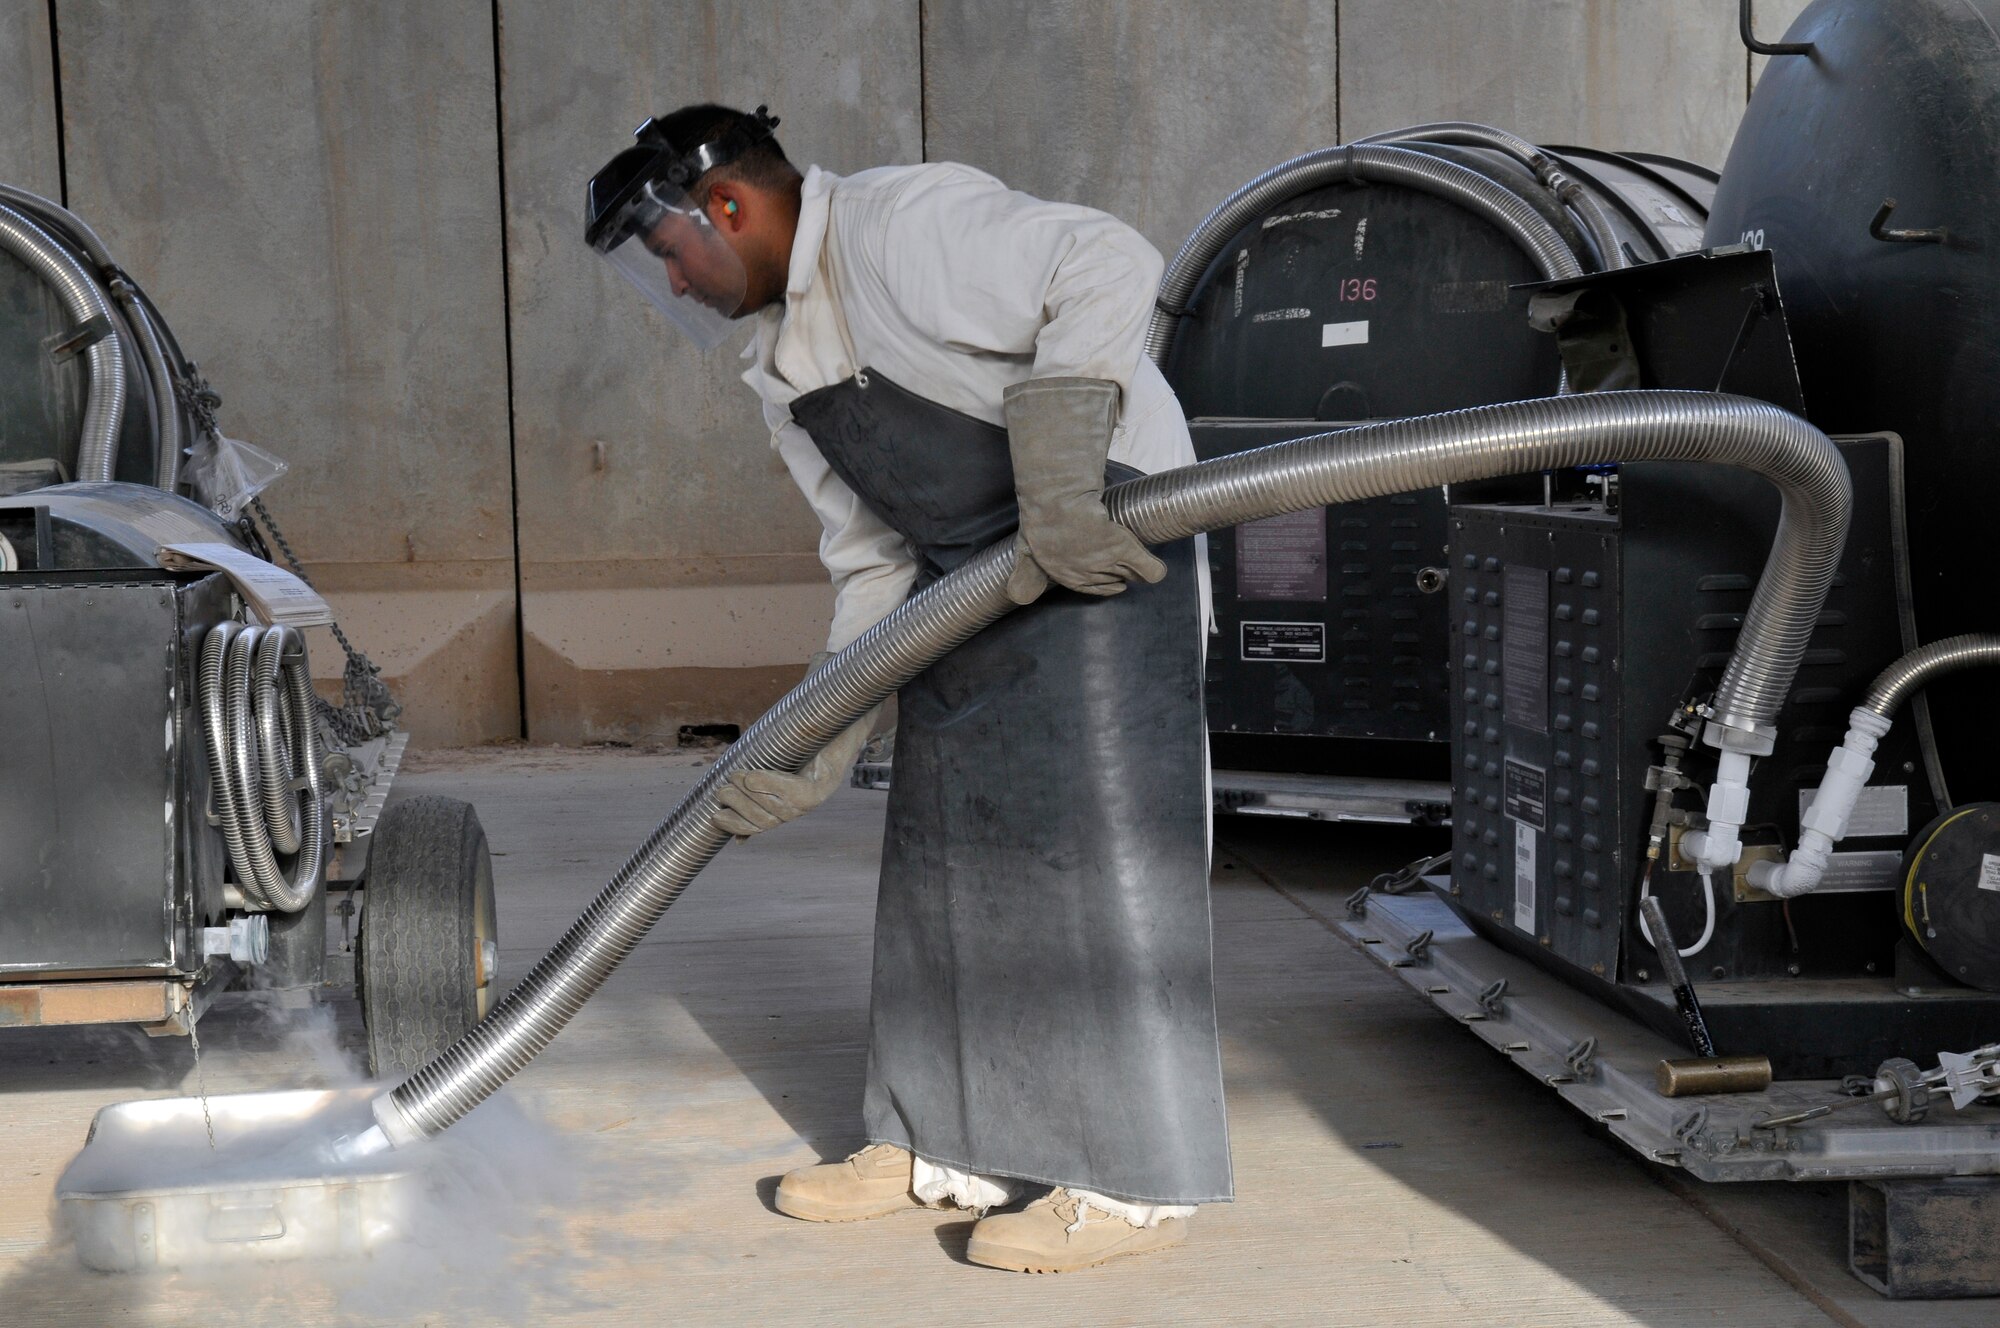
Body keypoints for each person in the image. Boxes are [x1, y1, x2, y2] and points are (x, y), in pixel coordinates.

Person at [584, 103, 1229, 1273]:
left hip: (1097, 544)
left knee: (1100, 869)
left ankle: (1130, 1181)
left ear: (727, 205)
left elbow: (1105, 259)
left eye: (670, 252)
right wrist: (824, 725)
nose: (673, 284)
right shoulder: (783, 367)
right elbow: (871, 559)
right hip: (961, 579)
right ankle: (947, 1144)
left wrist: (1060, 473)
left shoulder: (895, 225)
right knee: (944, 863)